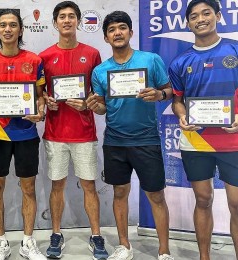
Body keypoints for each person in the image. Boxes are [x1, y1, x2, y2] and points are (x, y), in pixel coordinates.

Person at [87, 10, 174, 260]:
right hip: (115, 142)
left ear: (131, 32)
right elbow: (103, 107)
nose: (118, 33)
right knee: (119, 193)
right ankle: (124, 245)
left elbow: (168, 90)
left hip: (146, 140)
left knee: (156, 195)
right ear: (106, 37)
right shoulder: (100, 71)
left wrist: (160, 95)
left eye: (122, 28)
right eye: (112, 30)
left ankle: (164, 250)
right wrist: (96, 107)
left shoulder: (151, 59)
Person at [38, 1, 108, 259]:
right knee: (57, 185)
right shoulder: (44, 57)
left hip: (84, 133)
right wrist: (46, 100)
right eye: (62, 17)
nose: (67, 21)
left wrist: (89, 100)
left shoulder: (92, 54)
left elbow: (98, 95)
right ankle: (56, 234)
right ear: (55, 23)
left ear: (78, 21)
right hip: (55, 134)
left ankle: (96, 235)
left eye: (71, 16)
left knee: (89, 185)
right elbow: (39, 94)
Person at [169, 0, 238, 259]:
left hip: (234, 142)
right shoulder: (180, 61)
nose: (201, 19)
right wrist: (183, 116)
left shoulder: (235, 50)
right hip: (195, 141)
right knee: (203, 200)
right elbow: (177, 100)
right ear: (187, 23)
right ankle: (204, 256)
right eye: (194, 16)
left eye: (206, 13)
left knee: (236, 204)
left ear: (218, 16)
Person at [0, 9, 46, 260]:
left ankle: (28, 242)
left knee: (28, 188)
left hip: (26, 133)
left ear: (20, 30)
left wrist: (40, 112)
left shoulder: (35, 61)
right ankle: (1, 241)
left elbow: (41, 98)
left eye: (13, 25)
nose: (7, 29)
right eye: (3, 25)